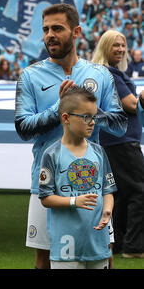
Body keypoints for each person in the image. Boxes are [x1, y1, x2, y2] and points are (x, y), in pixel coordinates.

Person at [14, 3, 127, 269]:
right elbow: (22, 128)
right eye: (45, 29)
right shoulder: (30, 76)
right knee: (44, 260)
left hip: (93, 184)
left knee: (103, 257)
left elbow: (120, 125)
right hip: (46, 185)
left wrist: (86, 111)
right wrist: (60, 108)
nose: (50, 35)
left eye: (57, 28)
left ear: (76, 32)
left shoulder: (100, 75)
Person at [39, 86, 116, 269]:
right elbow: (45, 198)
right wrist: (75, 201)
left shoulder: (98, 151)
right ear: (66, 118)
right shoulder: (51, 154)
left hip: (97, 242)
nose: (92, 122)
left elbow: (108, 190)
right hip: (66, 245)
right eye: (86, 117)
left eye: (94, 117)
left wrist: (107, 210)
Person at [92, 30, 144, 259]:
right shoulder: (111, 73)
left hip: (112, 141)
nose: (121, 49)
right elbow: (131, 105)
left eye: (123, 45)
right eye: (116, 45)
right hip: (123, 142)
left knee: (121, 194)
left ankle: (121, 243)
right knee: (140, 190)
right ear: (105, 47)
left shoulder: (102, 73)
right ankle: (134, 247)